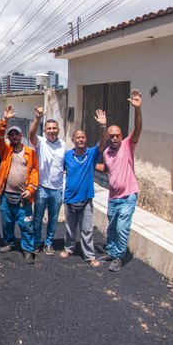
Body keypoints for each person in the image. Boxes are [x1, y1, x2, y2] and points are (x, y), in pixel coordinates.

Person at [100, 89, 143, 272]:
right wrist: (86, 165)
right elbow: (106, 169)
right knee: (111, 227)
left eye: (117, 135)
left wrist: (137, 109)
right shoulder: (106, 153)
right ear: (108, 137)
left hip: (128, 195)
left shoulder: (127, 144)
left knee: (122, 227)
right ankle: (111, 251)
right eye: (112, 136)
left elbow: (138, 129)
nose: (115, 138)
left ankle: (119, 256)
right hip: (113, 197)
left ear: (121, 135)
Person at [60, 109, 108, 266]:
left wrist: (103, 126)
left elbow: (102, 143)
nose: (81, 140)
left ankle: (89, 256)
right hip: (70, 198)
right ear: (73, 140)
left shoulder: (91, 154)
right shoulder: (67, 156)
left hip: (86, 199)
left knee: (87, 229)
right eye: (78, 138)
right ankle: (69, 249)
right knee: (70, 227)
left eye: (83, 137)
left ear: (86, 140)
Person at [0, 105, 38, 263]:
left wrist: (30, 189)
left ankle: (28, 250)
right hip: (6, 195)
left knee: (26, 225)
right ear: (9, 137)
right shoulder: (5, 150)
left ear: (21, 136)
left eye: (16, 134)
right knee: (7, 223)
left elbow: (34, 172)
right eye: (11, 134)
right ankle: (9, 243)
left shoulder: (30, 152)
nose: (14, 137)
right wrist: (5, 121)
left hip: (23, 197)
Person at [29, 107, 65, 255]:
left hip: (57, 189)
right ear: (44, 131)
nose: (52, 131)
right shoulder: (41, 142)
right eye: (49, 128)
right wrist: (37, 118)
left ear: (58, 130)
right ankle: (37, 241)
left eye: (54, 128)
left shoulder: (63, 145)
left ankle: (49, 243)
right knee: (37, 218)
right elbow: (31, 134)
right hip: (42, 187)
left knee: (53, 219)